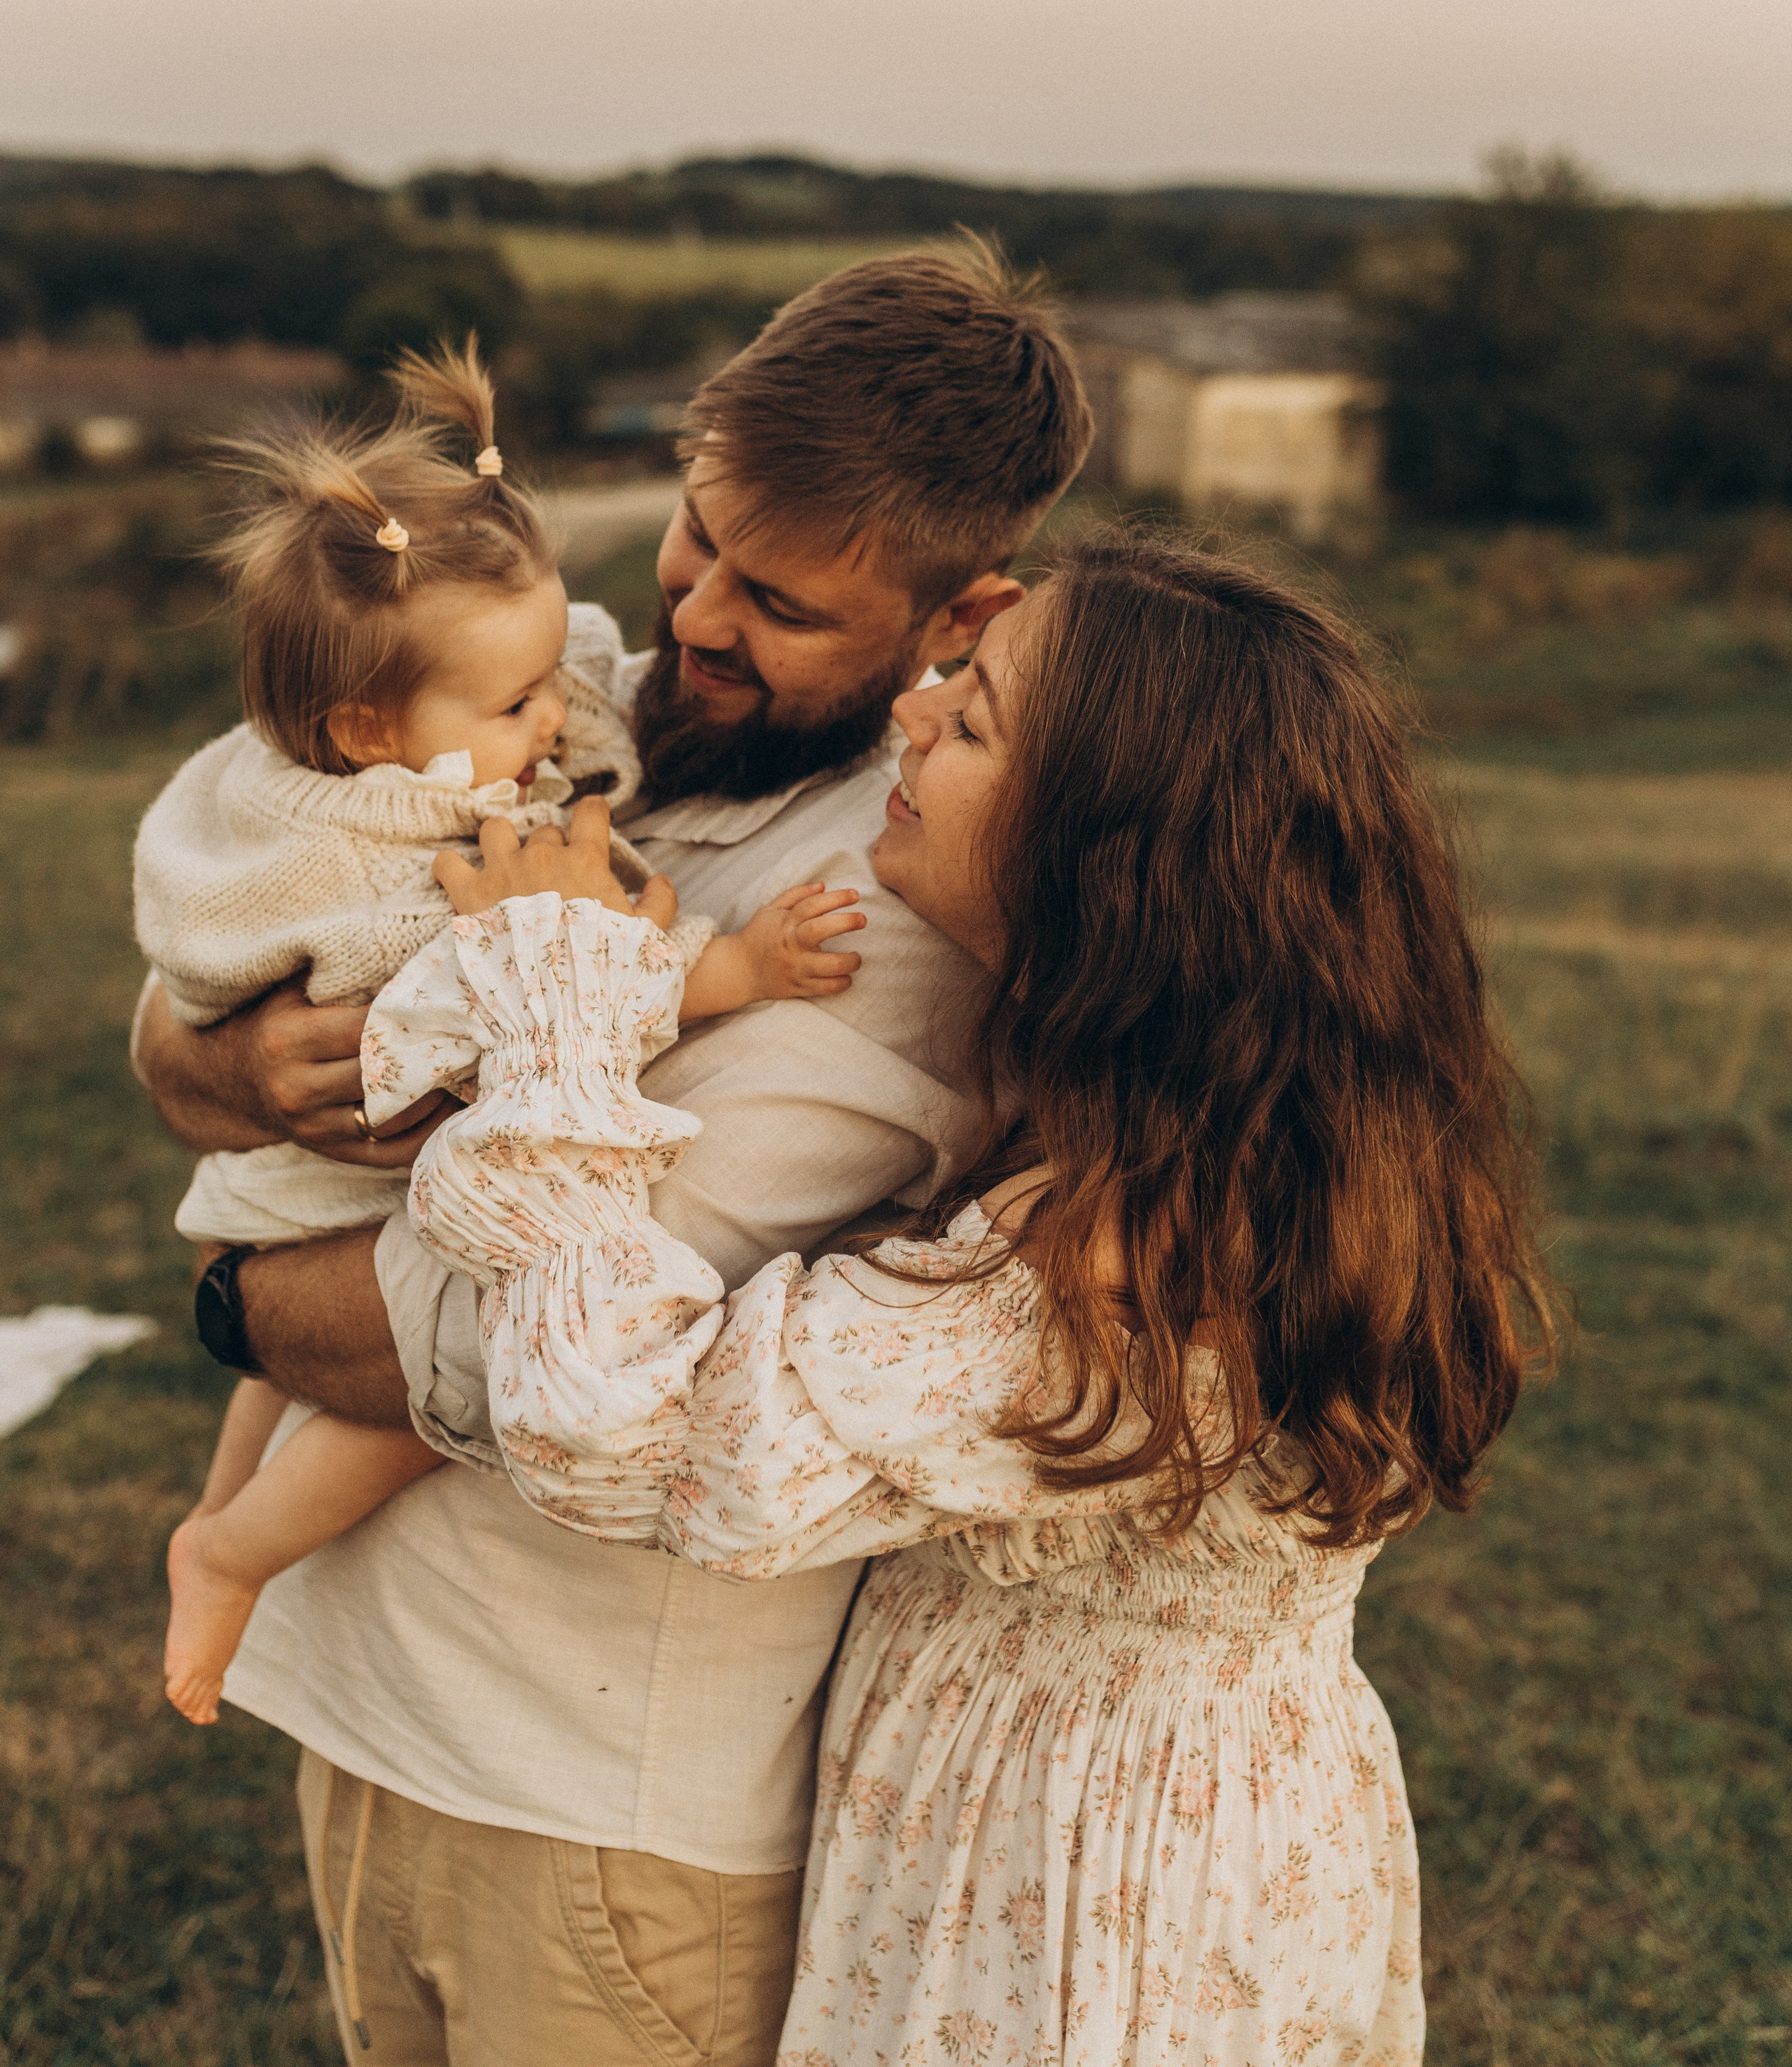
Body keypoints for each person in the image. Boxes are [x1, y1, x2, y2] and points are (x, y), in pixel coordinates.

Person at [372, 529, 1553, 2066]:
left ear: (1106, 855)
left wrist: (557, 1006)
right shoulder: (1262, 1142)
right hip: (1208, 1824)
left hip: (1074, 1885)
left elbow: (634, 1432)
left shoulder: (1129, 1269)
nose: (912, 717)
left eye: (974, 717)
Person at [131, 247, 1093, 2065]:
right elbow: (214, 996)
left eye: (783, 602)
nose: (700, 621)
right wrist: (238, 1062)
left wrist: (227, 1296)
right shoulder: (548, 704)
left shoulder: (895, 908)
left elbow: (516, 1340)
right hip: (374, 1707)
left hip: (597, 1809)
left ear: (965, 610)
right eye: (695, 537)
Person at [141, 339, 867, 1727]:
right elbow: (563, 982)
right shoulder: (403, 875)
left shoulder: (346, 762)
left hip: (269, 1208)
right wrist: (738, 968)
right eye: (517, 703)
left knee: (274, 1375)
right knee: (389, 1413)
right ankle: (232, 1546)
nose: (556, 720)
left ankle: (215, 1527)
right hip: (338, 1194)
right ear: (369, 730)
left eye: (549, 679)